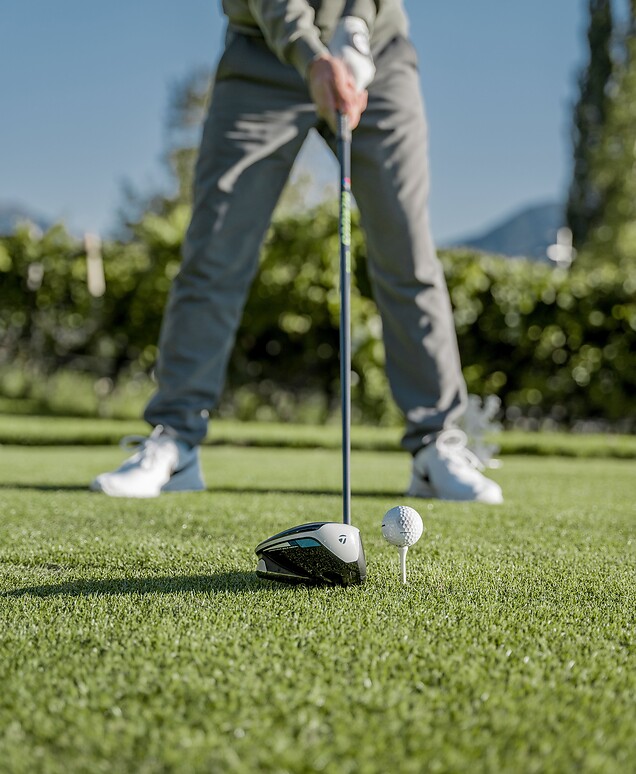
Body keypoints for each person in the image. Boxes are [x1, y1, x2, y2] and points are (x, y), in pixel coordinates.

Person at [91, 0, 503, 504]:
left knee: (407, 251)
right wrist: (310, 54)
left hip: (379, 56)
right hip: (264, 54)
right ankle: (176, 441)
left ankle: (434, 445)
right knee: (215, 250)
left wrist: (355, 25)